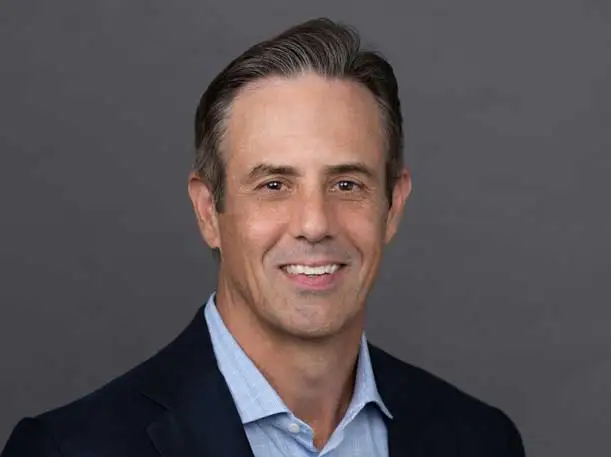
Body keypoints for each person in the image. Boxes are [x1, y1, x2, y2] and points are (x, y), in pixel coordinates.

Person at [1, 17, 525, 457]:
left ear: (394, 205)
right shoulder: (70, 449)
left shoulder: (481, 441)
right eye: (274, 185)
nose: (314, 223)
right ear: (208, 211)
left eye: (347, 184)